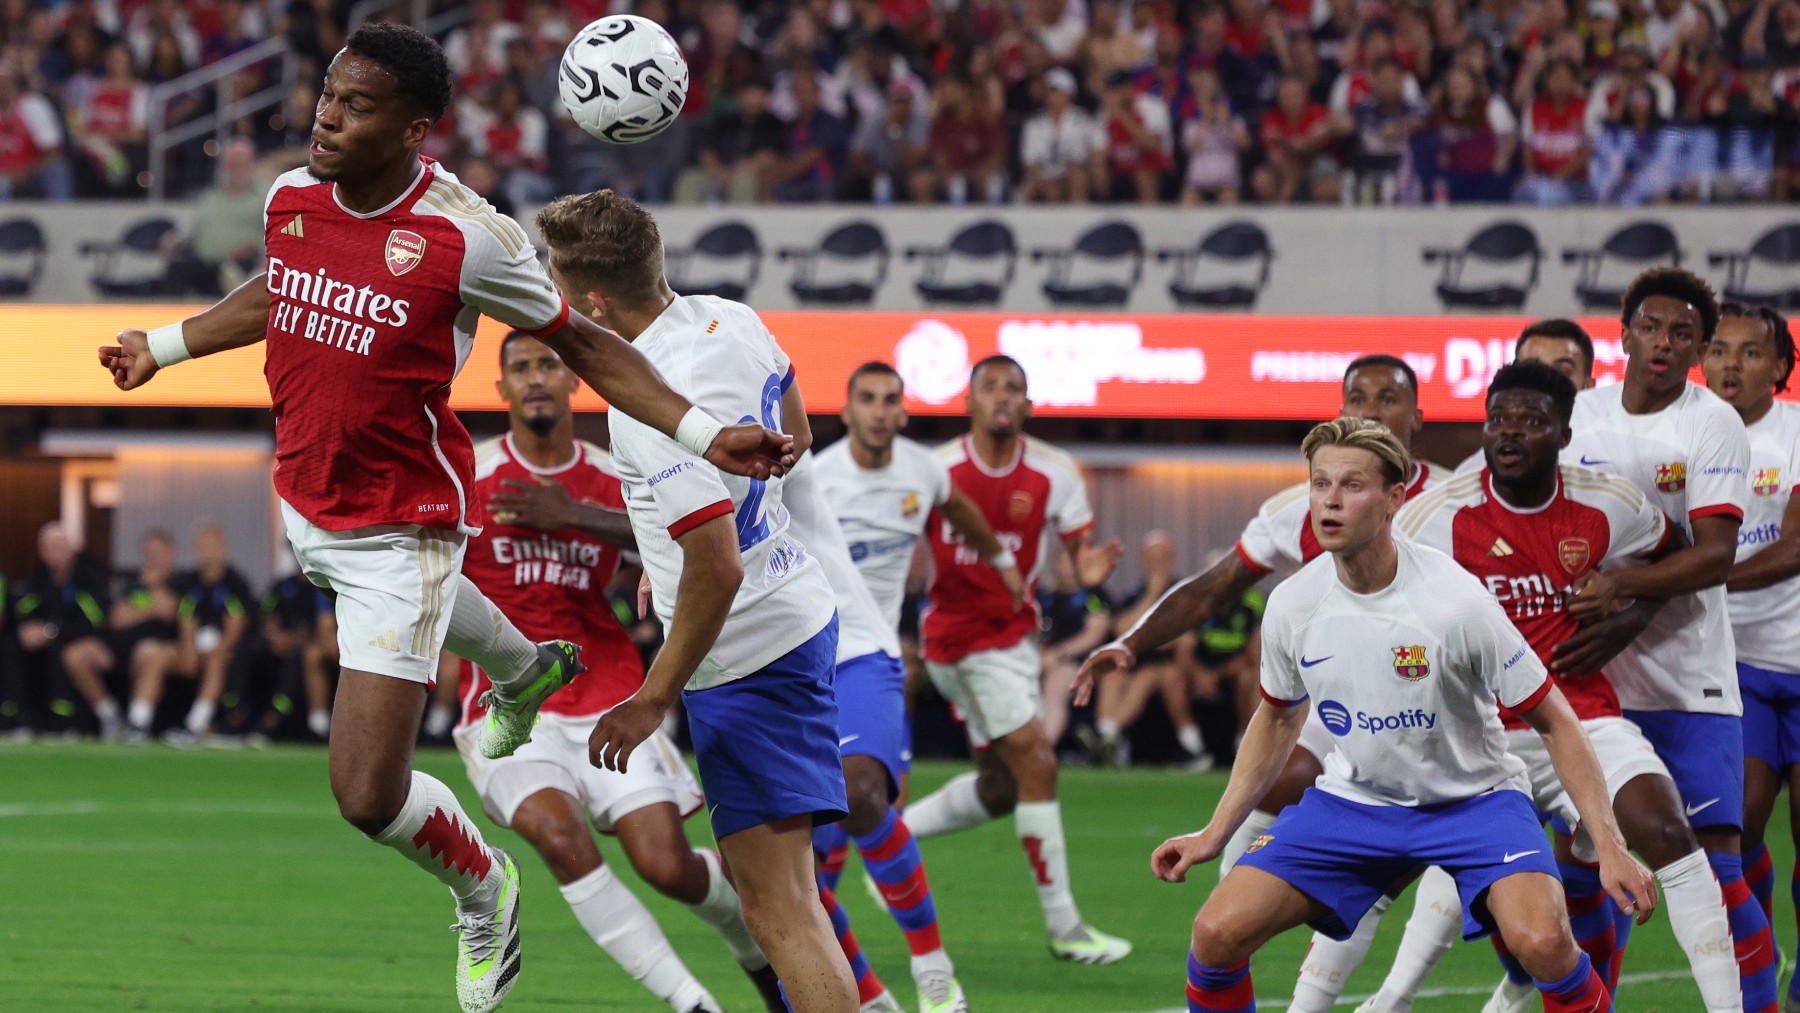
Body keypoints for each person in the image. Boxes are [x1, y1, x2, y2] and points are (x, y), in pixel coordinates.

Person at [96, 24, 793, 1013]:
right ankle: (525, 666)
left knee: (365, 794)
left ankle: (483, 888)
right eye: (329, 95)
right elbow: (280, 289)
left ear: (416, 129)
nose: (328, 116)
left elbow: (586, 342)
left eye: (358, 105)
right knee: (459, 642)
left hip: (402, 528)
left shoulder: (472, 236)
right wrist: (160, 345)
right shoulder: (291, 197)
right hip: (308, 501)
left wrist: (703, 429)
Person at [1162, 417, 1656, 1013]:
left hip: (1476, 803)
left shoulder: (1456, 600)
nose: (1331, 501)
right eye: (1320, 485)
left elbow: (1556, 719)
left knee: (1546, 944)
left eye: (1352, 485)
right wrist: (1214, 834)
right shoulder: (1293, 603)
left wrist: (1609, 844)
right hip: (1356, 804)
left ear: (1395, 499)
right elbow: (1277, 716)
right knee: (1215, 935)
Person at [535, 187, 859, 1013]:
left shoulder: (648, 405)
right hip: (795, 615)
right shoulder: (733, 318)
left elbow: (716, 568)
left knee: (782, 910)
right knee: (785, 898)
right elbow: (797, 434)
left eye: (559, 284)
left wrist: (650, 699)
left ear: (595, 301)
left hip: (747, 655)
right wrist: (671, 543)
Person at [1350, 361, 1742, 1013]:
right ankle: (1390, 998)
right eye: (1498, 418)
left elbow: (1672, 555)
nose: (1510, 432)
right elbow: (1377, 597)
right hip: (1478, 731)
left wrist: (1629, 615)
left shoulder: (1608, 500)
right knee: (1427, 866)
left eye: (1532, 420)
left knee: (1667, 827)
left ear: (1564, 432)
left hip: (1581, 718)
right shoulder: (1437, 515)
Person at [1075, 354, 1445, 1005]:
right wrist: (1130, 641)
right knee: (1286, 795)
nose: (1369, 408)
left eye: (1388, 398)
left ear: (1416, 417)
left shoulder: (1452, 501)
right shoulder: (1298, 508)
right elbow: (1212, 589)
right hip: (1342, 717)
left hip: (1444, 726)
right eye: (1356, 396)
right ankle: (1235, 919)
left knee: (1529, 928)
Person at [453, 329, 784, 1013]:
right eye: (521, 367)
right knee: (558, 836)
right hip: (509, 711)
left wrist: (576, 516)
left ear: (574, 381)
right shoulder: (473, 475)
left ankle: (757, 949)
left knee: (667, 865)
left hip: (609, 690)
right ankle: (694, 1003)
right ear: (503, 389)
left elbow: (698, 536)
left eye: (550, 363)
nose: (537, 376)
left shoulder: (614, 473)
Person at [1562, 266, 1774, 1010]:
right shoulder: (1577, 414)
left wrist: (1621, 588)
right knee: (1575, 867)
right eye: (1649, 326)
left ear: (1698, 346)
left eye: (1681, 332)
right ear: (1622, 332)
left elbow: (1714, 554)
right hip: (1591, 678)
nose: (1662, 342)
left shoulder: (1709, 420)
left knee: (1717, 864)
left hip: (1689, 676)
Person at [900, 354, 1132, 965]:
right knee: (1037, 757)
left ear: (1028, 405)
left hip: (1014, 639)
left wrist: (1088, 573)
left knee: (1001, 788)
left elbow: (1077, 561)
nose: (1004, 396)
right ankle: (1066, 928)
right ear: (969, 402)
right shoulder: (937, 468)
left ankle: (889, 844)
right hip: (956, 639)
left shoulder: (1055, 474)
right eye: (991, 387)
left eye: (1016, 389)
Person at [783, 451, 970, 1013]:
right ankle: (868, 999)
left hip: (855, 652)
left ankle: (933, 968)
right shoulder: (670, 464)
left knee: (860, 792)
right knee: (785, 879)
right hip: (771, 675)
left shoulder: (779, 449)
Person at [1702, 304, 1800, 1012]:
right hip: (1735, 661)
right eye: (1719, 350)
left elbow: (1796, 546)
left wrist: (1697, 573)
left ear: (1781, 367)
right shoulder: (1688, 433)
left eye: (1751, 352)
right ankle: (1760, 949)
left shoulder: (1795, 434)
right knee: (1744, 816)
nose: (1731, 364)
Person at [1091, 532, 1212, 770]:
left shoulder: (1186, 594)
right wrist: (1152, 595)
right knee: (1111, 676)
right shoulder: (1135, 595)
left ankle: (1191, 747)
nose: (1156, 565)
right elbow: (1123, 632)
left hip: (1171, 668)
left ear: (1172, 559)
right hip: (1132, 665)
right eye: (1150, 559)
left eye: (1162, 559)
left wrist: (1149, 638)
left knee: (1151, 676)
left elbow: (1180, 640)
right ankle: (1109, 740)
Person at [129, 523, 254, 746]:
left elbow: (236, 623)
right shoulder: (189, 582)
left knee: (216, 659)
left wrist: (218, 648)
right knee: (158, 654)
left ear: (222, 548)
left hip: (223, 651)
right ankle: (138, 722)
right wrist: (188, 649)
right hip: (193, 649)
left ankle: (195, 725)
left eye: (212, 546)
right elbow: (186, 617)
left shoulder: (234, 582)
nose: (207, 551)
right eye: (202, 546)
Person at [1454, 318, 1598, 474]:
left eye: (1562, 372)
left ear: (1589, 386)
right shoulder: (1472, 473)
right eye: (1533, 370)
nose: (1546, 383)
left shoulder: (1616, 456)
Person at [13, 521, 115, 738]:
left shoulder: (88, 574)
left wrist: (51, 632)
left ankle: (67, 720)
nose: (55, 552)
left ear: (72, 547)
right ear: (42, 551)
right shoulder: (41, 577)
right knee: (14, 645)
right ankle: (18, 716)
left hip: (94, 642)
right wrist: (27, 628)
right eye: (50, 547)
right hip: (50, 641)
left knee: (63, 650)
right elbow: (24, 608)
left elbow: (96, 619)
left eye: (60, 545)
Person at [113, 529, 187, 742]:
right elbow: (117, 618)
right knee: (143, 651)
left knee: (150, 652)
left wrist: (151, 591)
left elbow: (169, 611)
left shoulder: (181, 581)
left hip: (174, 648)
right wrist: (151, 605)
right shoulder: (136, 584)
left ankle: (138, 722)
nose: (153, 559)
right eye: (149, 554)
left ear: (171, 553)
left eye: (159, 553)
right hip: (131, 649)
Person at [257, 559, 336, 741]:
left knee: (305, 656)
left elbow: (321, 632)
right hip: (286, 648)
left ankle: (276, 716)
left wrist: (295, 639)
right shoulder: (282, 585)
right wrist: (275, 635)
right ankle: (318, 727)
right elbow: (265, 615)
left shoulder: (326, 583)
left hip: (327, 645)